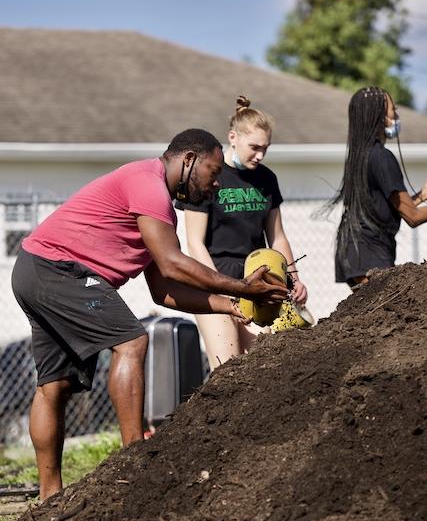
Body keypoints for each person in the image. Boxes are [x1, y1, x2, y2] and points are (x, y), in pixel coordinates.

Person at [11, 128, 288, 501]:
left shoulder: (157, 208)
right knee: (132, 341)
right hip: (58, 270)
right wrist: (240, 287)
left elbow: (164, 290)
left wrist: (231, 306)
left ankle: (49, 496)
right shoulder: (148, 185)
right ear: (188, 160)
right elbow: (174, 264)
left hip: (34, 269)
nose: (217, 183)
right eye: (213, 170)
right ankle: (133, 460)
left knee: (54, 384)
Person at [175, 96, 307, 370]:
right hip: (213, 279)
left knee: (261, 364)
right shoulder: (208, 176)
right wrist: (221, 288)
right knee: (228, 366)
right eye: (254, 147)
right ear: (233, 137)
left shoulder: (266, 179)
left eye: (265, 149)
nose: (260, 155)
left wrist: (294, 279)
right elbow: (195, 244)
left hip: (255, 280)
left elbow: (277, 237)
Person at [331, 86, 427, 289]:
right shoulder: (382, 157)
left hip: (354, 252)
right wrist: (415, 207)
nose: (397, 116)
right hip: (369, 252)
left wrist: (420, 197)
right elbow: (413, 217)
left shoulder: (360, 155)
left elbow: (384, 205)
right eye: (393, 110)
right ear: (380, 116)